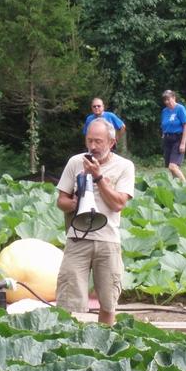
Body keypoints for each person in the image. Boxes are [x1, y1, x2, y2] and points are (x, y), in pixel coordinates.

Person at [56, 118, 135, 325]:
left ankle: (104, 340)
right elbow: (61, 201)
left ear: (112, 142)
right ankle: (67, 340)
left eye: (98, 141)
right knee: (67, 301)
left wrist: (98, 178)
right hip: (77, 238)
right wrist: (73, 203)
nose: (93, 146)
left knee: (108, 302)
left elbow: (118, 204)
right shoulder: (75, 162)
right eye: (89, 140)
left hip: (108, 239)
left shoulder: (125, 166)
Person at [161, 89, 186, 181]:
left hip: (178, 139)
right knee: (172, 169)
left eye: (168, 99)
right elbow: (164, 124)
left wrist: (183, 143)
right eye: (165, 100)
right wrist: (163, 134)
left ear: (174, 98)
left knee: (172, 166)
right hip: (167, 139)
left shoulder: (180, 108)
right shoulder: (164, 111)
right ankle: (176, 186)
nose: (167, 102)